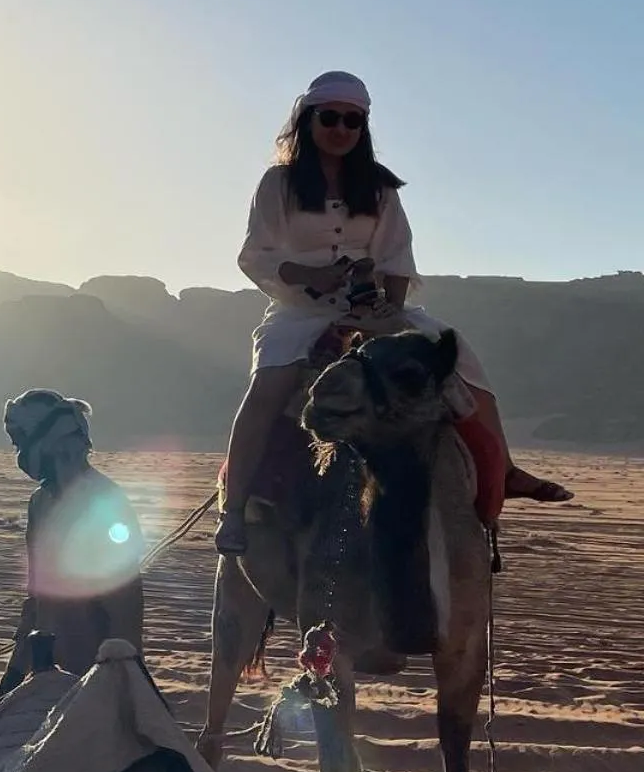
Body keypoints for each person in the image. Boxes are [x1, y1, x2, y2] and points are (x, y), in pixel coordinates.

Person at [214, 70, 571, 555]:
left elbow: (396, 258)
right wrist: (308, 276)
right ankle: (233, 510)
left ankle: (502, 470)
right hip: (297, 313)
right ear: (308, 119)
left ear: (363, 127)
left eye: (353, 120)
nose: (341, 128)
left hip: (371, 311)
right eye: (331, 117)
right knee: (266, 391)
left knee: (458, 359)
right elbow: (255, 256)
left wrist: (387, 313)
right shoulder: (279, 183)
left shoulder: (379, 187)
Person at [0, 389, 146, 696]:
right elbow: (38, 598)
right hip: (48, 672)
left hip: (96, 677)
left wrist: (121, 677)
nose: (17, 451)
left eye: (20, 440)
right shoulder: (40, 502)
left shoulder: (105, 502)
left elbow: (125, 609)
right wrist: (15, 670)